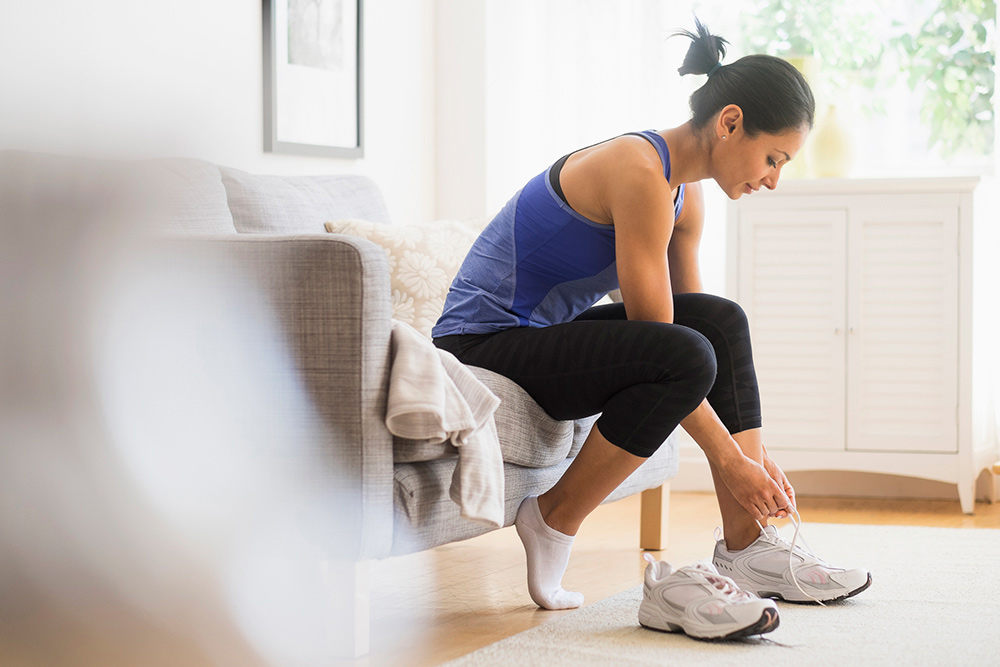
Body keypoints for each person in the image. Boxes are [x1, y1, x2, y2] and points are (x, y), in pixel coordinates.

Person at [432, 19, 871, 634]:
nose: (774, 178)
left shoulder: (684, 197)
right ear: (730, 122)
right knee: (682, 354)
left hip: (536, 339)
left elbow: (700, 330)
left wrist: (757, 458)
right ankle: (552, 518)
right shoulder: (636, 170)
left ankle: (747, 545)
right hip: (480, 343)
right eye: (773, 158)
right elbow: (666, 344)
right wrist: (732, 461)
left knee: (721, 320)